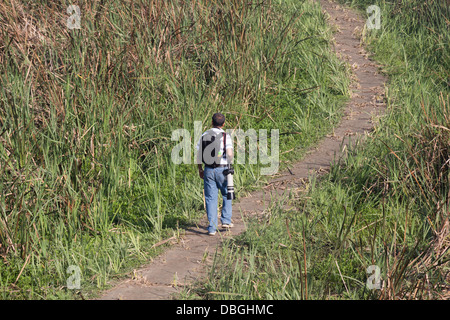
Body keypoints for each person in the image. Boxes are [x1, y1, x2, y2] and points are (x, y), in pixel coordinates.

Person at [196, 113, 234, 236]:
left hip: (208, 170)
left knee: (210, 198)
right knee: (227, 193)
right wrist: (230, 162)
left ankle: (212, 228)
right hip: (222, 169)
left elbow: (198, 154)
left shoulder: (204, 135)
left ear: (211, 123)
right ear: (223, 124)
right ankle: (226, 221)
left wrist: (200, 169)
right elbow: (229, 153)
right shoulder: (225, 136)